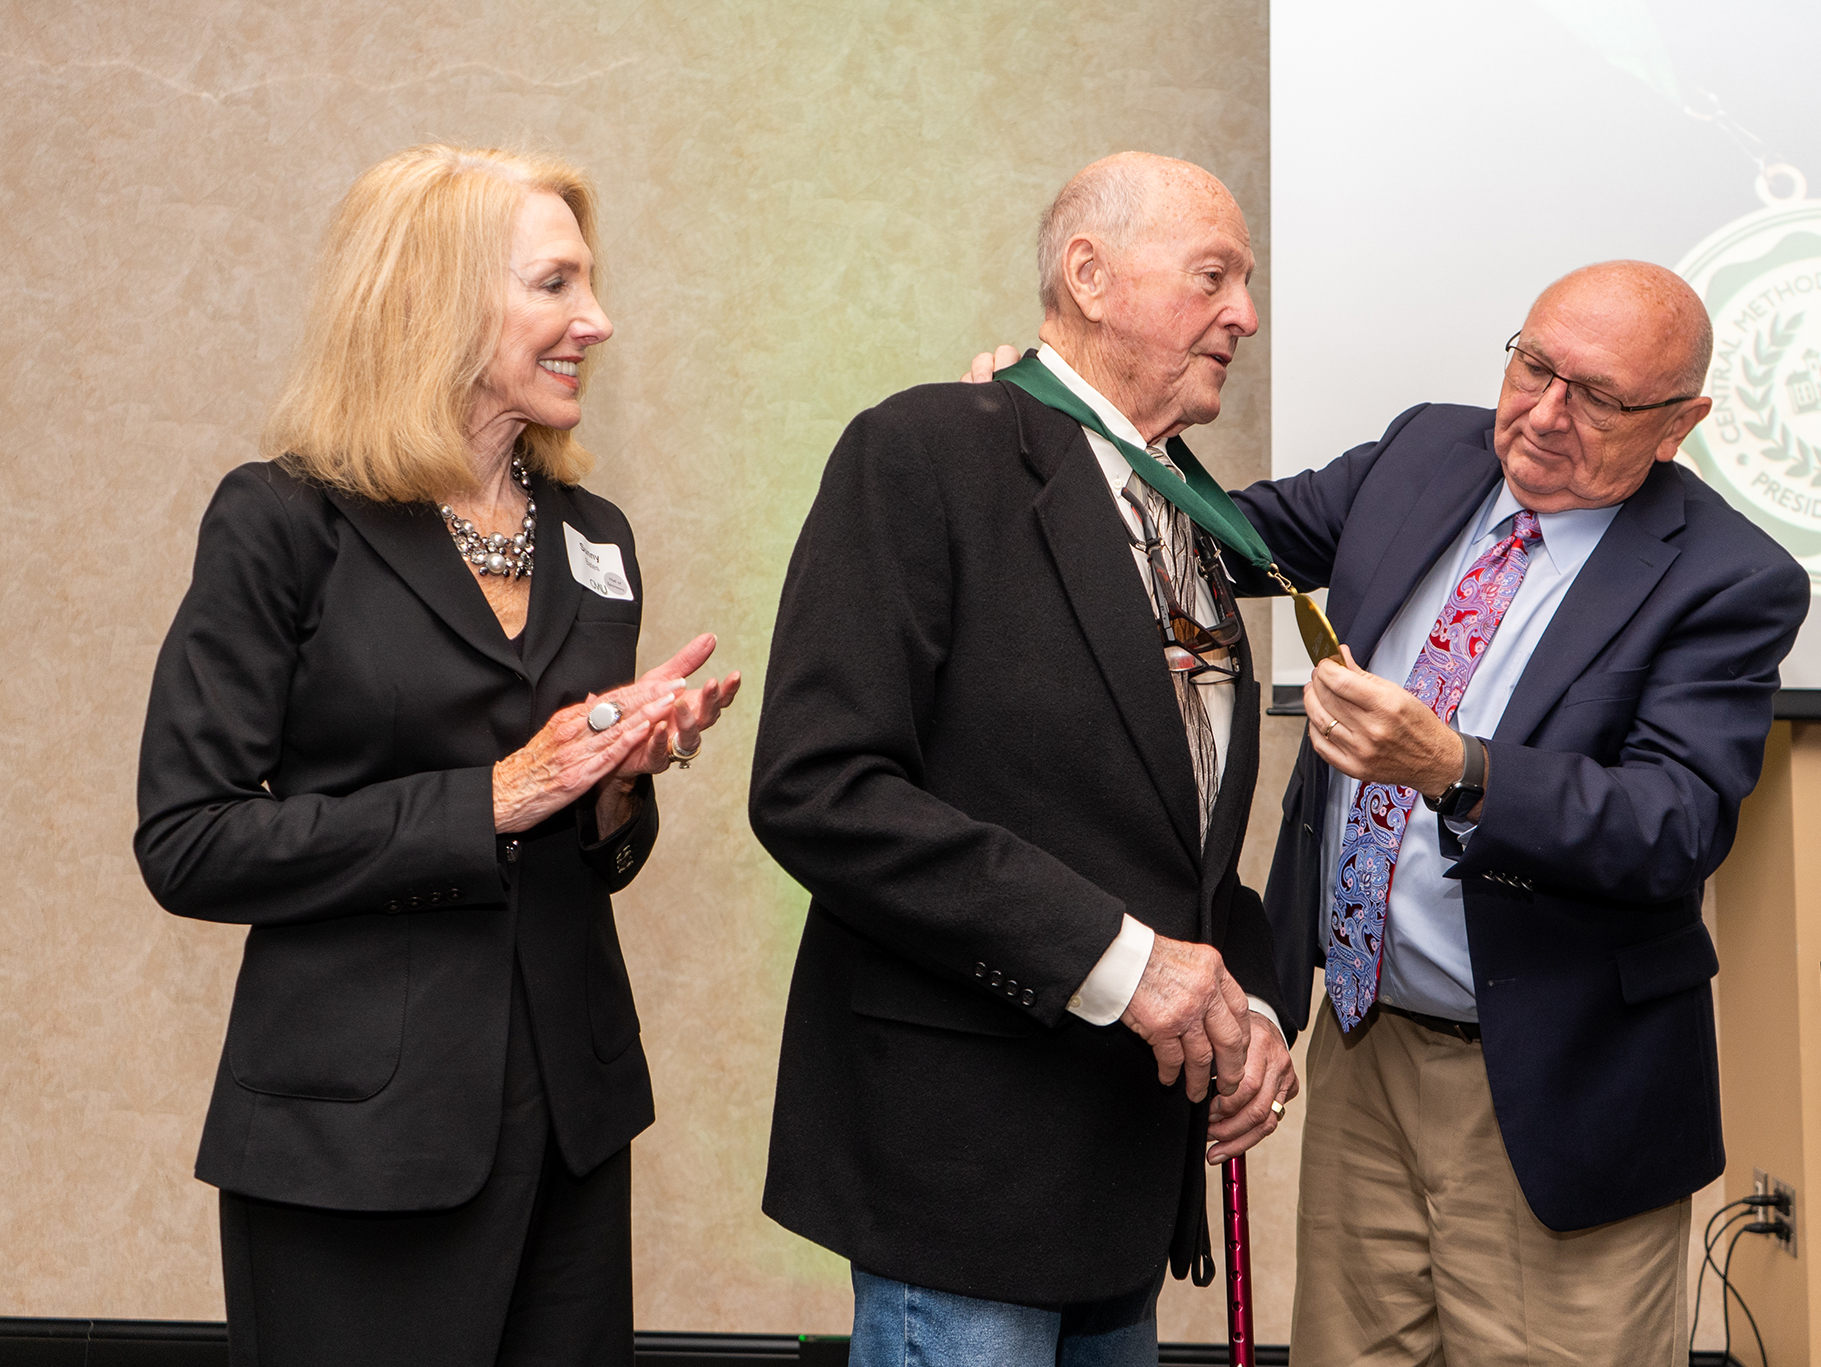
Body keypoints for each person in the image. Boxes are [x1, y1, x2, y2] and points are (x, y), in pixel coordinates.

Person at [134, 144, 740, 1367]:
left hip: (572, 1123)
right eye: (556, 286)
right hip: (354, 1144)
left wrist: (616, 784)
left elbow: (588, 850)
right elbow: (188, 839)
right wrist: (500, 795)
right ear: (436, 300)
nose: (597, 321)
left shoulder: (593, 535)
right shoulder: (283, 519)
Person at [749, 152, 1297, 1367]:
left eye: (1246, 284)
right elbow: (818, 789)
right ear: (1088, 276)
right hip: (965, 1168)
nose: (1244, 316)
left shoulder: (1186, 512)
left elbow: (1172, 831)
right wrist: (1120, 960)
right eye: (1213, 276)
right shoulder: (928, 448)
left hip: (1120, 1166)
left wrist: (1241, 998)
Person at [1231, 261, 1808, 1363]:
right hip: (1368, 1047)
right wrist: (1071, 420)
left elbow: (1672, 822)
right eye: (1531, 365)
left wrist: (1456, 767)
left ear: (1677, 424)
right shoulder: (1422, 454)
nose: (1542, 413)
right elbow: (1233, 531)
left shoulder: (1729, 578)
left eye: (1593, 396)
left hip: (1556, 1077)